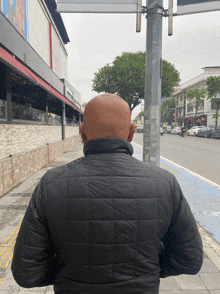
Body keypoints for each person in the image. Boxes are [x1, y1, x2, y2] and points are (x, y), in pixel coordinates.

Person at [11, 94, 203, 294]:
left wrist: (67, 274)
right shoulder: (165, 183)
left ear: (82, 132)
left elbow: (26, 272)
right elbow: (190, 259)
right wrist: (147, 271)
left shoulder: (51, 183)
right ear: (131, 133)